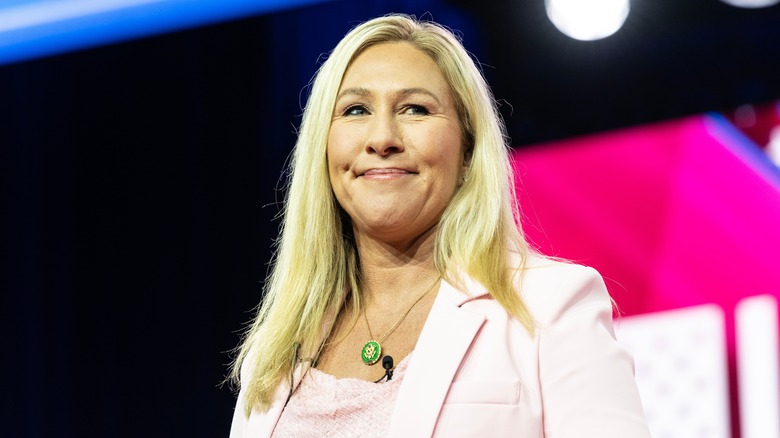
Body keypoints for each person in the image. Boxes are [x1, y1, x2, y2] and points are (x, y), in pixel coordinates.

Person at [228, 14, 650, 437]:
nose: (382, 138)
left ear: (468, 151)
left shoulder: (550, 304)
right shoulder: (274, 351)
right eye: (355, 110)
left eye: (415, 109)